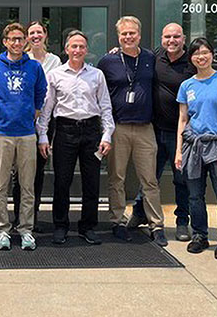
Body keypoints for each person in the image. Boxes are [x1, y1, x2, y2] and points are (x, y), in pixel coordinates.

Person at [38, 30, 114, 245]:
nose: (78, 50)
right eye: (74, 46)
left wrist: (107, 134)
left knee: (92, 182)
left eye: (81, 46)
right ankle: (60, 225)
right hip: (65, 131)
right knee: (62, 181)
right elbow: (46, 108)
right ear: (66, 49)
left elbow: (105, 107)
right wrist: (43, 135)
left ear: (86, 50)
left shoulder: (97, 75)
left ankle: (87, 226)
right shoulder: (56, 75)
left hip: (91, 131)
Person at [97, 16, 167, 246]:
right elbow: (99, 93)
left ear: (139, 34)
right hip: (118, 128)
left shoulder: (150, 57)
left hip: (145, 128)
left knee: (149, 179)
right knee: (116, 178)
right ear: (118, 36)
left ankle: (156, 225)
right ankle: (117, 221)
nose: (128, 37)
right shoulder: (108, 61)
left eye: (132, 33)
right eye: (124, 34)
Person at [174, 38, 217, 261]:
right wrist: (179, 151)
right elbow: (183, 120)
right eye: (196, 54)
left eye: (205, 52)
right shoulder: (187, 85)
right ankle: (200, 235)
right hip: (193, 146)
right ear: (191, 58)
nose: (200, 57)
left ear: (212, 54)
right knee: (195, 196)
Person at [127, 23, 194, 241]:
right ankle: (139, 213)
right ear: (161, 39)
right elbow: (132, 56)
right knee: (149, 176)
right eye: (167, 37)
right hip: (154, 129)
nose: (171, 41)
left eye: (176, 37)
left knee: (181, 179)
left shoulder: (191, 62)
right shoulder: (154, 56)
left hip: (181, 133)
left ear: (183, 38)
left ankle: (182, 221)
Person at [0, 22, 47, 251]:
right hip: (2, 133)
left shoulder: (34, 67)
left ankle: (26, 230)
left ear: (26, 42)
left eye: (21, 39)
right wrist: (1, 117)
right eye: (12, 39)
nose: (17, 43)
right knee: (1, 186)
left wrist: (34, 113)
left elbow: (41, 93)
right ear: (5, 42)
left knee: (27, 185)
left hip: (27, 134)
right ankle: (3, 229)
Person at [12, 21, 62, 230]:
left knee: (38, 171)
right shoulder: (21, 60)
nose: (35, 36)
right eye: (31, 33)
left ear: (45, 35)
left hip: (46, 121)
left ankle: (32, 216)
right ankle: (18, 217)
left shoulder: (55, 61)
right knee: (19, 172)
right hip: (23, 120)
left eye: (38, 32)